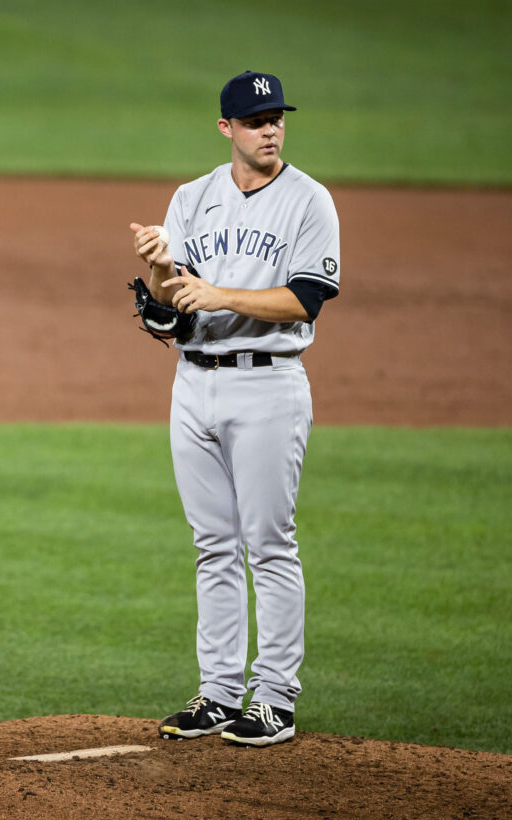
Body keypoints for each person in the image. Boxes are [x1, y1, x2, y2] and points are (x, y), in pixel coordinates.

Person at [129, 70, 341, 746]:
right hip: (193, 384)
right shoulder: (192, 198)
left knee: (269, 544)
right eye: (255, 120)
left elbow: (305, 298)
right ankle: (219, 692)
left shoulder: (309, 201)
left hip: (268, 387)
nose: (270, 128)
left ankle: (274, 697)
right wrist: (162, 267)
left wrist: (219, 292)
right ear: (227, 128)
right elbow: (174, 312)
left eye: (277, 116)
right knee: (212, 543)